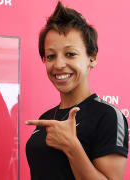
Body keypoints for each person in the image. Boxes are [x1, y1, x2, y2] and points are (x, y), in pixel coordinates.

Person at [25, 1, 128, 180]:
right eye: (51, 56)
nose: (58, 64)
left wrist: (72, 147)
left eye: (70, 54)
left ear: (92, 58)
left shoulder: (108, 116)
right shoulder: (46, 118)